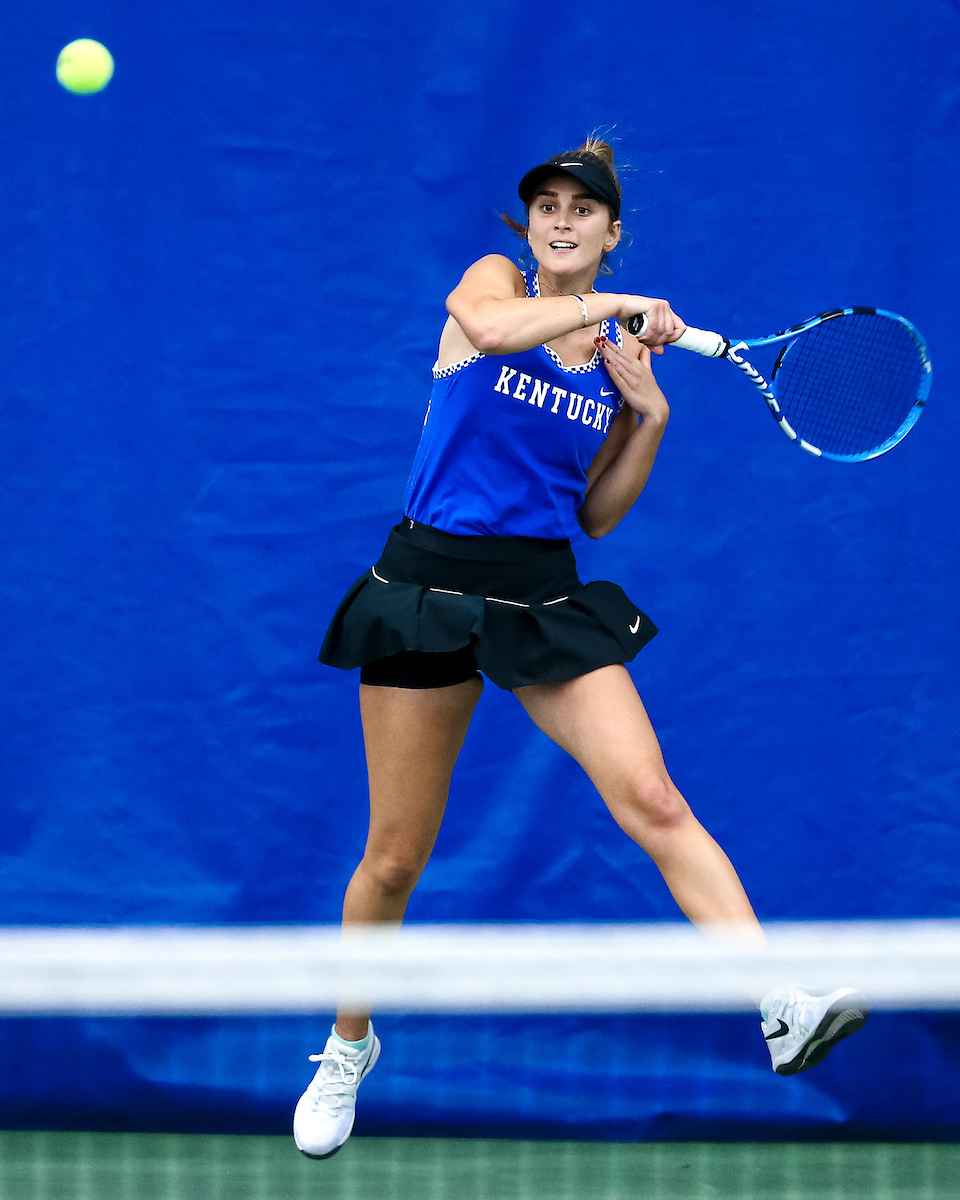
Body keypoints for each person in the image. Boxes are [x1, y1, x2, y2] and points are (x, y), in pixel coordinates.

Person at [293, 138, 867, 1160]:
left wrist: (646, 415)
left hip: (540, 592)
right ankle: (347, 1045)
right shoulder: (496, 284)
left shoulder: (614, 362)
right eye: (545, 206)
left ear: (610, 232)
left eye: (581, 210)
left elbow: (594, 512)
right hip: (426, 583)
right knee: (392, 859)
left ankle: (778, 1000)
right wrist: (612, 307)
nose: (559, 221)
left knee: (655, 800)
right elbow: (489, 327)